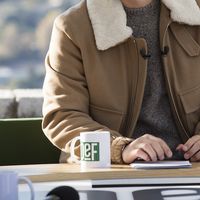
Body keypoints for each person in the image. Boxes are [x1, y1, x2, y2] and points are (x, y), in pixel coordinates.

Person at [42, 0, 200, 164]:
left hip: (192, 171)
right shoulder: (72, 27)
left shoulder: (196, 10)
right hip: (109, 172)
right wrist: (118, 148)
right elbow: (62, 117)